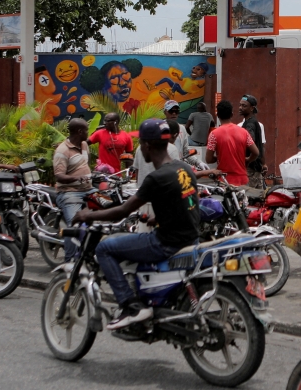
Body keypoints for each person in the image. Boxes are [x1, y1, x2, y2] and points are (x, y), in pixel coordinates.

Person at [72, 119, 200, 329]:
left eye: (140, 143)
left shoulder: (156, 177)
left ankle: (130, 306)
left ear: (146, 145)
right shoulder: (184, 169)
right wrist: (159, 218)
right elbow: (188, 204)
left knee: (104, 248)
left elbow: (123, 211)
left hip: (166, 243)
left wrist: (89, 215)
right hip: (191, 238)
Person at [53, 118, 93, 263]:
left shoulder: (84, 145)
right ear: (80, 131)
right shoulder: (62, 150)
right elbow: (59, 176)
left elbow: (86, 164)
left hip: (88, 189)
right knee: (74, 225)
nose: (88, 133)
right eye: (86, 130)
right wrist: (77, 178)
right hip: (69, 192)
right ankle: (69, 261)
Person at [205, 100, 258, 185]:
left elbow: (208, 159)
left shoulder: (214, 134)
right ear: (232, 114)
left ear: (218, 115)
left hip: (224, 181)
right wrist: (248, 160)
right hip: (242, 180)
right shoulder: (243, 132)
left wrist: (219, 158)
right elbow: (256, 152)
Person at [239, 95, 267, 188]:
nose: (240, 108)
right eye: (240, 105)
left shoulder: (250, 124)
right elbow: (260, 146)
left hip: (251, 169)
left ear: (252, 108)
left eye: (244, 106)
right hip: (256, 168)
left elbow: (250, 142)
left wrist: (248, 159)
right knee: (258, 195)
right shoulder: (252, 122)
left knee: (249, 194)